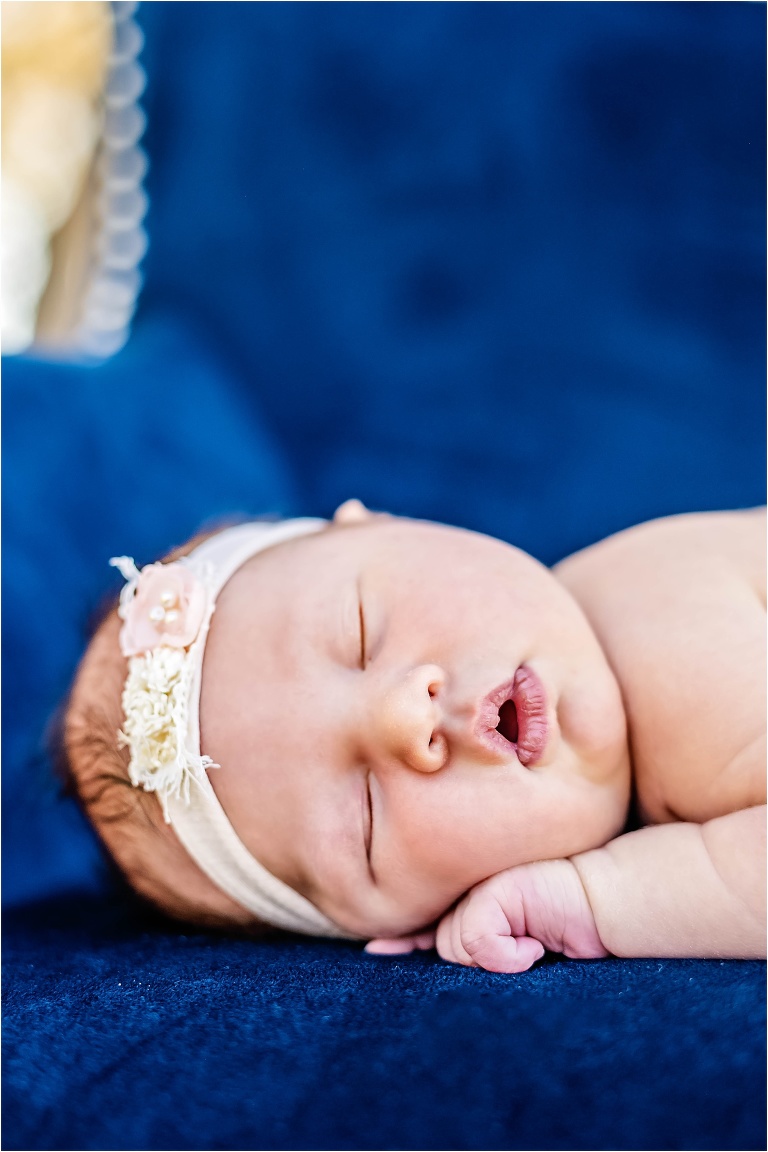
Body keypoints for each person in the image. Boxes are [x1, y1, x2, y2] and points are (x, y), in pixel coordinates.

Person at [63, 500, 766, 972]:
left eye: (363, 629)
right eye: (365, 817)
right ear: (409, 925)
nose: (404, 716)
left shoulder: (677, 661)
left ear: (387, 523)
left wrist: (596, 899)